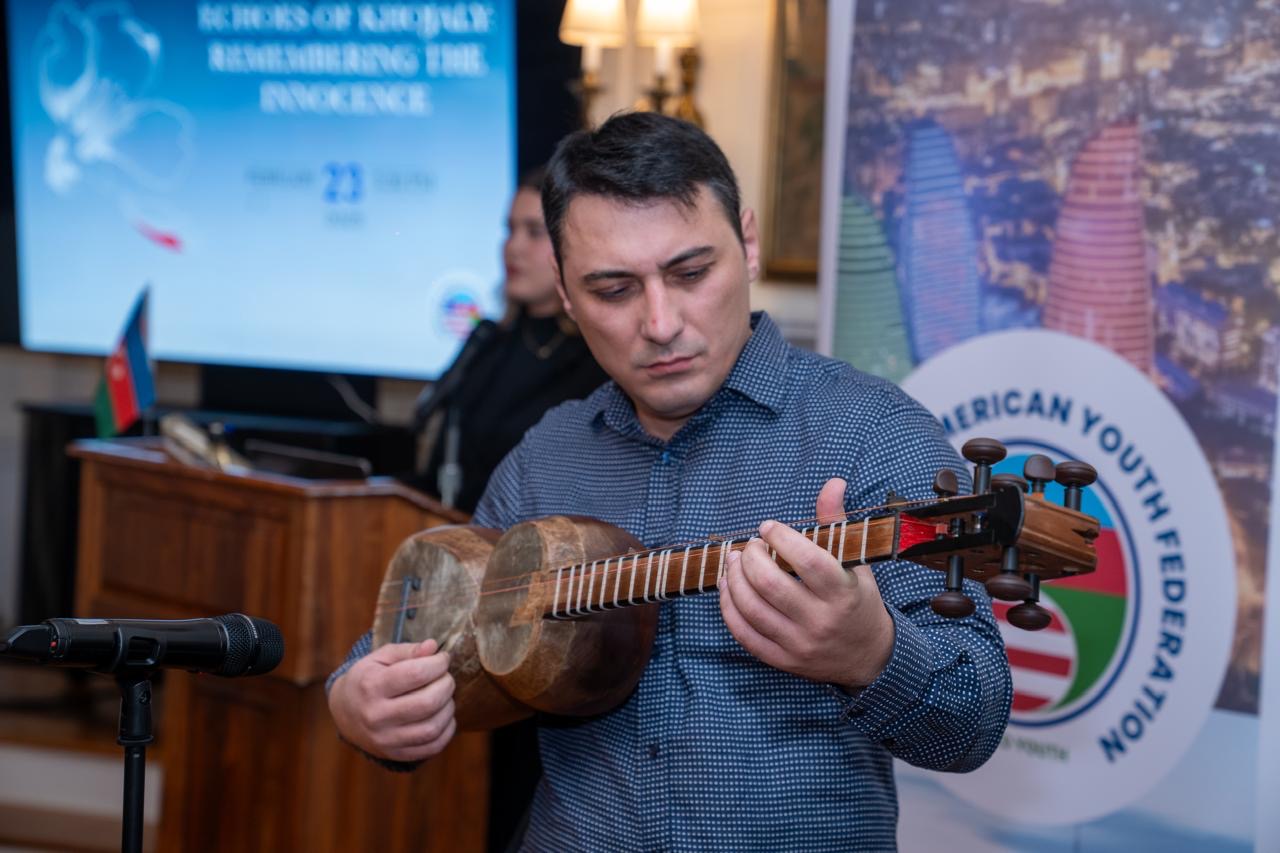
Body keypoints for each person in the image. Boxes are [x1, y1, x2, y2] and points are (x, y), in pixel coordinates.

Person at [330, 112, 1012, 851]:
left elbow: (973, 720)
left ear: (746, 245)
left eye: (690, 273)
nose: (660, 322)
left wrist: (870, 652)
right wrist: (357, 702)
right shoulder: (548, 454)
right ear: (564, 292)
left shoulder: (871, 431)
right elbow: (412, 636)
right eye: (614, 289)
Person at [413, 167, 608, 514]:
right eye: (509, 230)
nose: (512, 247)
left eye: (533, 232)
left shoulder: (598, 357)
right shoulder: (488, 342)